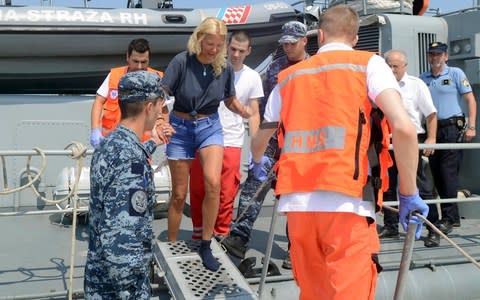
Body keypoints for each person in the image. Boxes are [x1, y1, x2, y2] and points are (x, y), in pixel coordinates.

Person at [249, 5, 428, 299]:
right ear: (356, 38)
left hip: (297, 208)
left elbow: (260, 140)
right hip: (348, 204)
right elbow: (405, 129)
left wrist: (258, 163)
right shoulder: (368, 64)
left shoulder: (289, 77)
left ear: (319, 35)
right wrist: (408, 194)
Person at [161, 17, 252, 272]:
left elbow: (229, 99)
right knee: (180, 194)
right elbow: (163, 94)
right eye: (210, 43)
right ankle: (171, 244)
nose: (214, 50)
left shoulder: (223, 67)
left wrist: (246, 111)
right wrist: (159, 120)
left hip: (209, 127)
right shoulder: (181, 61)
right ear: (198, 39)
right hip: (179, 129)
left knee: (213, 183)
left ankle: (205, 244)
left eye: (219, 45)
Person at [221, 20, 309, 269]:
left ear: (305, 41)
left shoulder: (314, 67)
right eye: (285, 43)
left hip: (300, 142)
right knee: (253, 188)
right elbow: (265, 107)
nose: (288, 47)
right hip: (272, 139)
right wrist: (258, 142)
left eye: (293, 43)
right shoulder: (275, 68)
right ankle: (239, 238)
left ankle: (297, 249)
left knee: (296, 198)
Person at [84, 71, 174, 299]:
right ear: (149, 106)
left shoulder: (110, 143)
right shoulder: (131, 159)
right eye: (159, 106)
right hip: (119, 288)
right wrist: (131, 291)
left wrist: (152, 142)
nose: (160, 113)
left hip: (99, 279)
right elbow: (122, 239)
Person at [189, 31, 263, 240]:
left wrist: (255, 149)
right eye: (233, 49)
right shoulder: (210, 68)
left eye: (241, 51)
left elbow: (254, 113)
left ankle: (221, 233)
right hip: (202, 136)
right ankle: (199, 232)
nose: (236, 54)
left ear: (248, 51)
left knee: (226, 191)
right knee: (198, 187)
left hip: (231, 140)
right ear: (226, 47)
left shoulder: (252, 77)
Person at [420, 41, 477, 247]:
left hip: (452, 128)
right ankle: (448, 216)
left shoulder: (455, 74)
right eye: (431, 54)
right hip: (432, 130)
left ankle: (450, 218)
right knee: (435, 172)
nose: (434, 57)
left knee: (448, 172)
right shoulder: (423, 78)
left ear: (445, 56)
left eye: (438, 54)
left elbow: (470, 100)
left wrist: (471, 126)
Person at [378, 49, 437, 239]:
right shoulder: (378, 85)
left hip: (411, 141)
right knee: (387, 183)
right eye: (388, 65)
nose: (392, 69)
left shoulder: (416, 85)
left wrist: (431, 138)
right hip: (387, 140)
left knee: (420, 183)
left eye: (396, 66)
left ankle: (432, 226)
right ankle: (390, 225)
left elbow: (431, 114)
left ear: (405, 66)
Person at [90, 38, 166, 148]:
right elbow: (98, 101)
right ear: (128, 57)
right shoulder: (115, 76)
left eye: (144, 62)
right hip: (112, 140)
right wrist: (95, 130)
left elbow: (163, 110)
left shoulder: (156, 78)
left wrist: (162, 130)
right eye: (135, 61)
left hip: (141, 143)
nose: (139, 67)